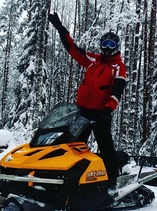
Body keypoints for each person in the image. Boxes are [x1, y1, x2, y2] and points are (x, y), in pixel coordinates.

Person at [48, 13, 127, 190]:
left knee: (105, 145)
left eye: (111, 45)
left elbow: (117, 91)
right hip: (81, 112)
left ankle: (112, 181)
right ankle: (69, 177)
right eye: (105, 44)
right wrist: (61, 29)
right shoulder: (94, 61)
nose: (107, 48)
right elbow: (74, 50)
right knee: (73, 144)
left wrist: (108, 111)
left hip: (101, 114)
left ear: (117, 47)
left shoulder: (118, 67)